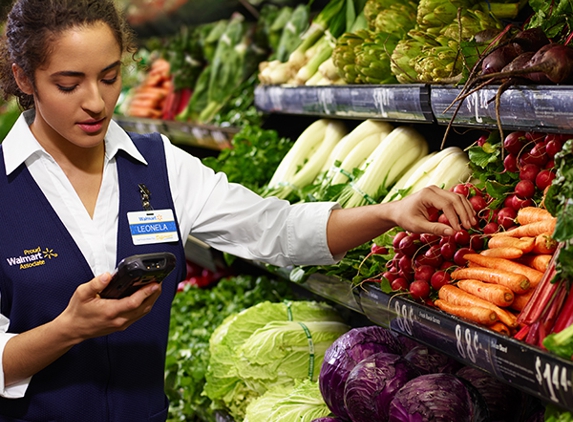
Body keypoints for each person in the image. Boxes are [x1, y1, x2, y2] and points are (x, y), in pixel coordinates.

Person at [0, 0, 476, 420]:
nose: (97, 102)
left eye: (109, 77)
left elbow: (278, 231)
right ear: (24, 78)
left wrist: (390, 212)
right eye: (68, 84)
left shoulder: (160, 165)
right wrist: (69, 329)